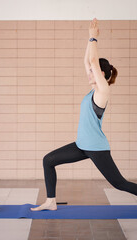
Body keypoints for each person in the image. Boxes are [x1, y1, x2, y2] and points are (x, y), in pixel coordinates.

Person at [31, 18, 137, 211]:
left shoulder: (102, 92)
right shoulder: (91, 92)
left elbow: (94, 62)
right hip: (81, 145)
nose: (89, 73)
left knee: (119, 183)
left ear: (102, 75)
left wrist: (93, 38)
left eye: (92, 72)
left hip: (96, 148)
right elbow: (88, 61)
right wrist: (89, 40)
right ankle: (51, 201)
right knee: (48, 160)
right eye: (89, 72)